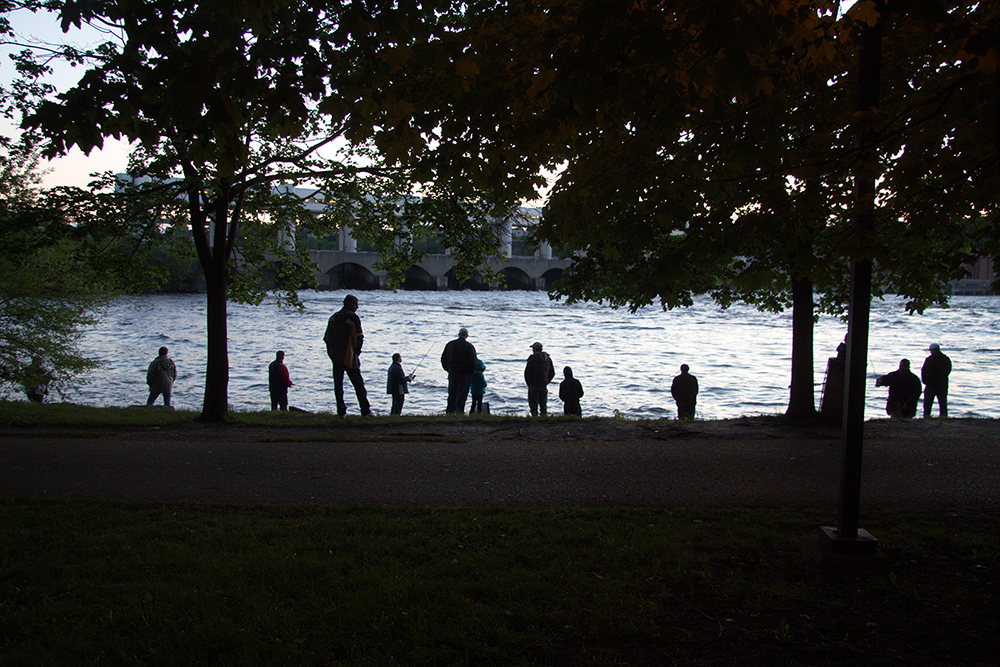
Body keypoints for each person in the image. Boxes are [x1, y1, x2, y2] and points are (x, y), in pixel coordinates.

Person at [324, 294, 371, 417]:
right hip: (349, 356)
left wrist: (332, 352)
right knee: (358, 384)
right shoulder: (353, 318)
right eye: (356, 304)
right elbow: (359, 337)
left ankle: (341, 411)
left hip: (335, 356)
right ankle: (365, 410)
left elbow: (327, 338)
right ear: (350, 304)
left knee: (338, 386)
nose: (357, 307)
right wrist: (357, 352)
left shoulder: (333, 318)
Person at [441, 327, 478, 414]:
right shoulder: (469, 346)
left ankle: (450, 412)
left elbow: (443, 358)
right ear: (467, 336)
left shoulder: (450, 344)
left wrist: (447, 369)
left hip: (452, 372)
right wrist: (472, 372)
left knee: (452, 393)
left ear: (458, 334)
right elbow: (473, 361)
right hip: (465, 374)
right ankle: (459, 412)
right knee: (461, 394)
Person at [524, 341, 555, 416]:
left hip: (534, 384)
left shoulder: (532, 358)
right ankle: (544, 418)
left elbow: (527, 372)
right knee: (543, 405)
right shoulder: (548, 359)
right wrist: (546, 381)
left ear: (534, 349)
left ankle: (534, 419)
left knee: (533, 405)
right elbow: (552, 373)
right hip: (543, 384)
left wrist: (529, 383)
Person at [921, 343, 952, 418]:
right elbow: (948, 370)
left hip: (931, 384)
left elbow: (924, 371)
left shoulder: (929, 359)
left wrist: (925, 381)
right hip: (942, 384)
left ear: (932, 350)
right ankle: (943, 416)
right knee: (942, 403)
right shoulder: (946, 359)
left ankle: (927, 416)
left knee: (928, 404)